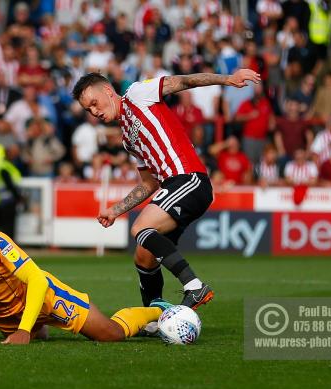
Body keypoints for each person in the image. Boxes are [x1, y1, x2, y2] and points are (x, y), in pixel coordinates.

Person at [72, 69, 261, 309]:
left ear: (108, 91)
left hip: (189, 178)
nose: (95, 112)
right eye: (89, 110)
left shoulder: (137, 93)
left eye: (94, 103)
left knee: (141, 227)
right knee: (143, 254)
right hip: (173, 185)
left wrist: (227, 79)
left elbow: (184, 81)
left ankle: (194, 287)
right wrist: (116, 210)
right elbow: (149, 184)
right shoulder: (127, 139)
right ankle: (154, 314)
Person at [0, 182, 169, 345]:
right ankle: (37, 328)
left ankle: (157, 312)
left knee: (112, 335)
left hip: (44, 296)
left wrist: (24, 331)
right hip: (7, 320)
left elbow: (36, 278)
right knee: (41, 340)